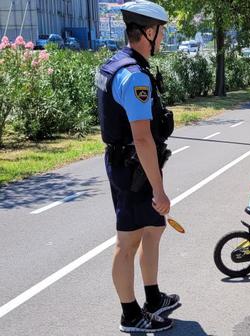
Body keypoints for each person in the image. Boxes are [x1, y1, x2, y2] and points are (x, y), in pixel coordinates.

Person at [95, 0, 179, 332]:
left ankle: (153, 297)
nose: (163, 38)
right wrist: (159, 190)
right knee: (127, 242)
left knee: (154, 230)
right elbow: (142, 137)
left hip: (135, 164)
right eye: (161, 32)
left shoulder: (118, 64)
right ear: (147, 31)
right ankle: (130, 315)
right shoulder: (134, 78)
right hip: (133, 170)